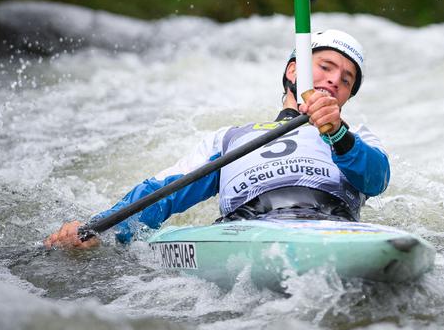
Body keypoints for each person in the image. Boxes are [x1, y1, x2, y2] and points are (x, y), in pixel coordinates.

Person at [45, 29, 390, 249]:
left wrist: (339, 135)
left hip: (330, 226)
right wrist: (96, 232)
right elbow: (162, 194)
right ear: (293, 70)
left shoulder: (355, 136)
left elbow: (375, 179)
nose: (334, 81)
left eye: (346, 80)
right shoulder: (229, 139)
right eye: (326, 66)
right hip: (244, 231)